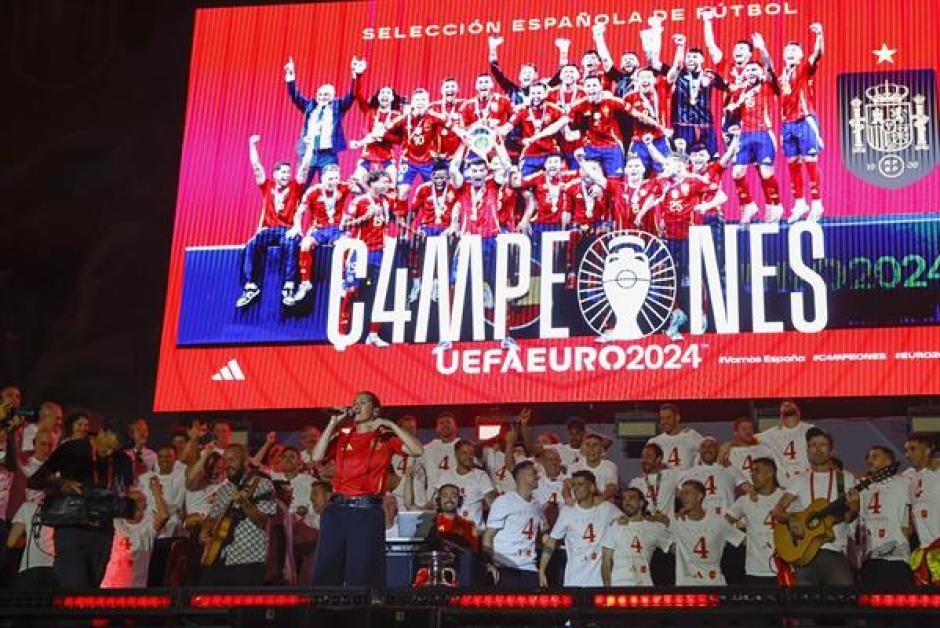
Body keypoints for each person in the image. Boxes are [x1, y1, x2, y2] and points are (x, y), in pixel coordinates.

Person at [310, 391, 423, 588]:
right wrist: (333, 422)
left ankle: (360, 615)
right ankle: (323, 613)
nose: (357, 406)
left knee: (361, 574)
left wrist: (390, 424)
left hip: (366, 511)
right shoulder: (344, 434)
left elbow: (417, 450)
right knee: (327, 572)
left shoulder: (385, 436)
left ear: (375, 410)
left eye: (363, 402)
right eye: (354, 402)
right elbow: (317, 457)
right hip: (337, 509)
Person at [27, 428, 135, 588]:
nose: (109, 452)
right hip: (71, 528)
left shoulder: (122, 459)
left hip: (101, 531)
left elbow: (127, 492)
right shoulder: (73, 449)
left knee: (89, 593)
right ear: (101, 433)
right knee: (74, 585)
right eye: (108, 446)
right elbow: (35, 480)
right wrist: (61, 482)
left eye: (115, 449)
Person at [773, 427, 859, 586]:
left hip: (835, 551)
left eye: (822, 445)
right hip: (804, 553)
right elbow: (777, 511)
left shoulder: (845, 479)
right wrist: (791, 519)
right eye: (813, 445)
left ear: (832, 450)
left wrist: (854, 508)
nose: (817, 449)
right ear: (807, 450)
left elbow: (847, 518)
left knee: (843, 603)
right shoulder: (798, 479)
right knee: (805, 606)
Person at [237, 134, 314, 308]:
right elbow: (256, 166)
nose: (287, 175)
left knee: (291, 243)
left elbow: (305, 166)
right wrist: (252, 145)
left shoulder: (296, 186)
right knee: (251, 245)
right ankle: (250, 287)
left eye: (288, 172)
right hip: (269, 230)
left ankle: (288, 287)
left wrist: (309, 147)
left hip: (287, 229)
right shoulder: (267, 186)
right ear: (275, 174)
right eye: (283, 172)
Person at [198, 444, 276, 586]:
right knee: (203, 597)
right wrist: (205, 530)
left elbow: (264, 521)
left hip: (249, 560)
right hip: (220, 557)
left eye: (232, 460)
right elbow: (211, 518)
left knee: (244, 607)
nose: (227, 465)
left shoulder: (262, 484)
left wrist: (244, 503)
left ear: (246, 461)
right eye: (225, 461)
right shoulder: (224, 489)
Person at [338, 169, 398, 347]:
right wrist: (364, 218)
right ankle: (341, 335)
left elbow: (385, 225)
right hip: (360, 251)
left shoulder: (385, 203)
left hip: (378, 253)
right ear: (372, 184)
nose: (386, 185)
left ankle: (373, 334)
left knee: (379, 295)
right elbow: (344, 225)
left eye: (387, 182)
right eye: (383, 182)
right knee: (350, 292)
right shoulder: (359, 202)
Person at [284, 56, 364, 184]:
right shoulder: (310, 106)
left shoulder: (338, 106)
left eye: (326, 94)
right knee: (301, 186)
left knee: (328, 186)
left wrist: (356, 75)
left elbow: (352, 95)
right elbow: (295, 96)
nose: (323, 97)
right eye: (320, 94)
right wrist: (290, 77)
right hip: (308, 153)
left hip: (328, 155)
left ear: (333, 96)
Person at [726, 46, 784, 224]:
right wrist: (734, 109)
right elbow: (733, 115)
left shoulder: (767, 86)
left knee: (766, 173)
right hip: (745, 136)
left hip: (763, 134)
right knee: (737, 173)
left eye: (754, 69)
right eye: (748, 69)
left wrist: (763, 49)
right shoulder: (738, 91)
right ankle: (748, 205)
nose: (750, 72)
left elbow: (770, 67)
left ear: (761, 73)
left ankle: (775, 204)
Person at [286, 164, 355, 306]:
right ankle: (305, 284)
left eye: (336, 178)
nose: (333, 181)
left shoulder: (343, 187)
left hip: (336, 229)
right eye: (330, 178)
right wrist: (297, 227)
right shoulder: (312, 192)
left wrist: (358, 182)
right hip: (318, 230)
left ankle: (342, 282)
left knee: (345, 245)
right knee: (305, 244)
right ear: (322, 178)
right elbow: (299, 212)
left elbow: (363, 192)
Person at [654, 479, 745, 586]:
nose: (683, 497)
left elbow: (743, 541)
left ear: (699, 496)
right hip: (687, 587)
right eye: (682, 494)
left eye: (687, 493)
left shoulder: (718, 522)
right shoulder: (676, 522)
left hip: (715, 585)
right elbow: (652, 529)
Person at [539, 470, 621, 587]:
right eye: (573, 485)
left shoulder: (607, 509)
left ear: (592, 487)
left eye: (580, 484)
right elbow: (551, 542)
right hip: (574, 581)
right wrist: (542, 570)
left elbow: (628, 522)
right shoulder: (567, 512)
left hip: (600, 583)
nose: (575, 488)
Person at [778, 24, 825, 223]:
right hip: (786, 124)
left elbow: (818, 53)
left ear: (800, 56)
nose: (790, 53)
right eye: (787, 51)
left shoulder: (805, 68)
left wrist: (819, 35)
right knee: (792, 163)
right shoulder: (781, 78)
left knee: (810, 161)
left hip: (804, 119)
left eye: (794, 51)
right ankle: (799, 202)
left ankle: (816, 203)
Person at [482, 461, 546, 587]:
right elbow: (488, 536)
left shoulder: (537, 505)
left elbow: (541, 535)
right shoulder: (504, 501)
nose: (538, 476)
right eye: (533, 473)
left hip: (530, 569)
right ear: (522, 476)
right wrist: (489, 564)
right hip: (506, 568)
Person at [724, 457, 787, 586]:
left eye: (756, 471)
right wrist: (740, 539)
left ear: (770, 473)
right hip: (755, 571)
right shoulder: (745, 500)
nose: (752, 475)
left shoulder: (785, 498)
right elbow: (721, 525)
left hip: (785, 570)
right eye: (751, 471)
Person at [857, 445, 913, 588]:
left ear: (888, 461)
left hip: (897, 557)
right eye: (868, 458)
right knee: (871, 607)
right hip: (869, 558)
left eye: (875, 456)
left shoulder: (904, 482)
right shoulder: (862, 487)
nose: (870, 460)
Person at [601, 487, 671, 586]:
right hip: (619, 588)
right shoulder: (615, 526)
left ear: (641, 503)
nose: (627, 501)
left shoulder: (654, 527)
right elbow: (606, 562)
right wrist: (608, 590)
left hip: (644, 587)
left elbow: (676, 548)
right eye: (624, 498)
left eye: (631, 498)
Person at [101, 485, 168, 588]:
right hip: (111, 586)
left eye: (139, 500)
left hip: (136, 588)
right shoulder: (117, 521)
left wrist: (156, 492)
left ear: (145, 504)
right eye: (130, 500)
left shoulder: (148, 525)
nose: (134, 503)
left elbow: (163, 515)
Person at [139, 444, 185, 585]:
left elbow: (178, 505)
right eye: (161, 456)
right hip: (151, 532)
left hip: (171, 533)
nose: (164, 459)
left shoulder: (181, 477)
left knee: (169, 575)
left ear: (175, 458)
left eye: (168, 456)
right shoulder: (145, 478)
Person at [432, 439, 497, 530]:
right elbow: (433, 503)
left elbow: (494, 504)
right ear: (456, 454)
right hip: (449, 532)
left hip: (474, 533)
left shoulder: (480, 476)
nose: (469, 456)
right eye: (465, 453)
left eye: (471, 453)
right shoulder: (445, 476)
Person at [758, 400, 815, 487]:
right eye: (784, 406)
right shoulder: (772, 434)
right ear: (780, 417)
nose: (787, 405)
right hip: (785, 485)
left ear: (799, 413)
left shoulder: (810, 429)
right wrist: (731, 445)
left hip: (809, 482)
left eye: (790, 404)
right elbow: (747, 439)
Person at [680, 437, 737, 516]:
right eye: (703, 447)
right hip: (699, 524)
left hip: (726, 523)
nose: (707, 449)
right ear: (699, 451)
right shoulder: (688, 474)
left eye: (711, 446)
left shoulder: (730, 469)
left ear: (718, 449)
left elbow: (748, 490)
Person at [721, 416, 779, 492]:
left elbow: (776, 470)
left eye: (750, 429)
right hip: (742, 493)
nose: (748, 432)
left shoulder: (764, 449)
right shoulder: (729, 452)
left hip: (766, 491)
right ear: (736, 432)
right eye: (744, 429)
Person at [905, 433, 939, 549]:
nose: (907, 455)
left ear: (927, 450)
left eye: (913, 449)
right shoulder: (908, 476)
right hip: (925, 548)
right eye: (906, 450)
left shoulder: (938, 470)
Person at [648, 403, 704, 470]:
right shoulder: (654, 442)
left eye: (668, 418)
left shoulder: (691, 435)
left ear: (677, 418)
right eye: (662, 418)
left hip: (687, 479)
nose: (664, 421)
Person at [629, 443, 681, 516]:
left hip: (666, 524)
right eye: (642, 457)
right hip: (644, 525)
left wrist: (683, 511)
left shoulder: (672, 475)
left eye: (648, 456)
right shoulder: (635, 482)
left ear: (658, 459)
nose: (644, 460)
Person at [569, 433, 619, 501]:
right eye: (587, 445)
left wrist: (600, 499)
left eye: (595, 445)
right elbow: (567, 486)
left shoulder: (610, 466)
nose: (591, 449)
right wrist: (567, 498)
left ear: (602, 450)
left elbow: (611, 488)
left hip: (602, 505)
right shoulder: (574, 467)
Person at [421, 412, 460, 493]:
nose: (445, 425)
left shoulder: (463, 446)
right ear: (437, 428)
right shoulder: (428, 448)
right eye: (441, 423)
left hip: (458, 495)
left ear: (455, 427)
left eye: (448, 422)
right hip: (433, 498)